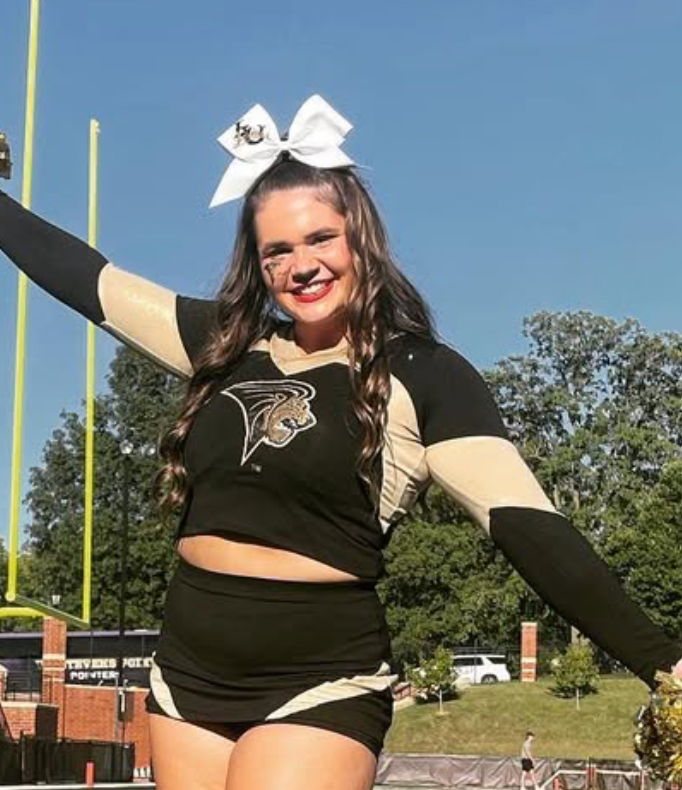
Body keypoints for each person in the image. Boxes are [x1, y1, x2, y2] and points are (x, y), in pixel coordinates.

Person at [0, 95, 680, 790]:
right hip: (187, 675)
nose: (302, 266)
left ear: (362, 239)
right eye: (278, 251)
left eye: (321, 239)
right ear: (258, 264)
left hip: (318, 678)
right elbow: (90, 281)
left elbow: (530, 527)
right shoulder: (225, 345)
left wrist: (664, 665)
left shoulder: (424, 375)